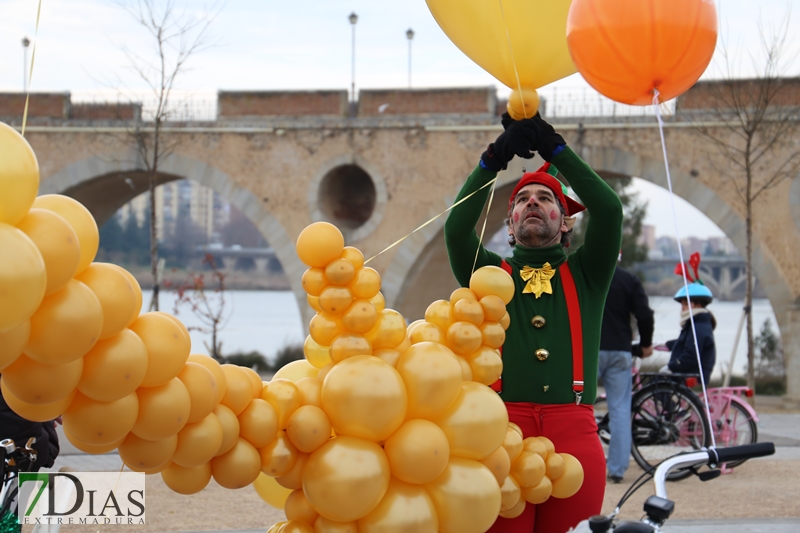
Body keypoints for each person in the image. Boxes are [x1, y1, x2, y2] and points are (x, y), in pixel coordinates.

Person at [444, 113, 622, 533]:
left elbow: (610, 210)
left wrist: (556, 148)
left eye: (546, 199)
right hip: (501, 431)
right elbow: (455, 230)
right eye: (523, 200)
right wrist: (493, 159)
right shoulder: (489, 274)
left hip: (574, 431)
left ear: (566, 224)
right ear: (509, 225)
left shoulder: (588, 273)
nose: (533, 203)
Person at [598, 262, 655, 484]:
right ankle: (617, 470)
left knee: (579, 406)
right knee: (621, 410)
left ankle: (580, 464)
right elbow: (645, 315)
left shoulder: (587, 275)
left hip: (589, 349)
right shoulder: (629, 280)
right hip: (620, 350)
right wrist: (646, 344)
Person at [663, 283, 716, 385]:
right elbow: (686, 342)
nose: (682, 307)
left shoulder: (697, 327)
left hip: (690, 374)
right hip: (694, 373)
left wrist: (670, 367)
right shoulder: (699, 323)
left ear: (698, 305)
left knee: (655, 386)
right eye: (682, 304)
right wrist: (666, 344)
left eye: (686, 304)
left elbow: (690, 356)